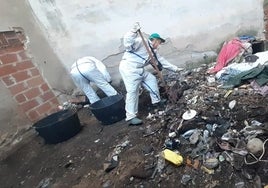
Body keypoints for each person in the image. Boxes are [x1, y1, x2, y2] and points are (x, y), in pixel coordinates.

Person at [119, 23, 183, 125]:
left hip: (139, 69)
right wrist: (133, 31)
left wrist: (176, 69)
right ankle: (130, 117)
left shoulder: (153, 52)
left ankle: (156, 102)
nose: (159, 45)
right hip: (129, 69)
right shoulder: (140, 42)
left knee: (151, 79)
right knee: (132, 91)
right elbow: (127, 44)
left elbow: (162, 61)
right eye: (159, 42)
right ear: (154, 40)